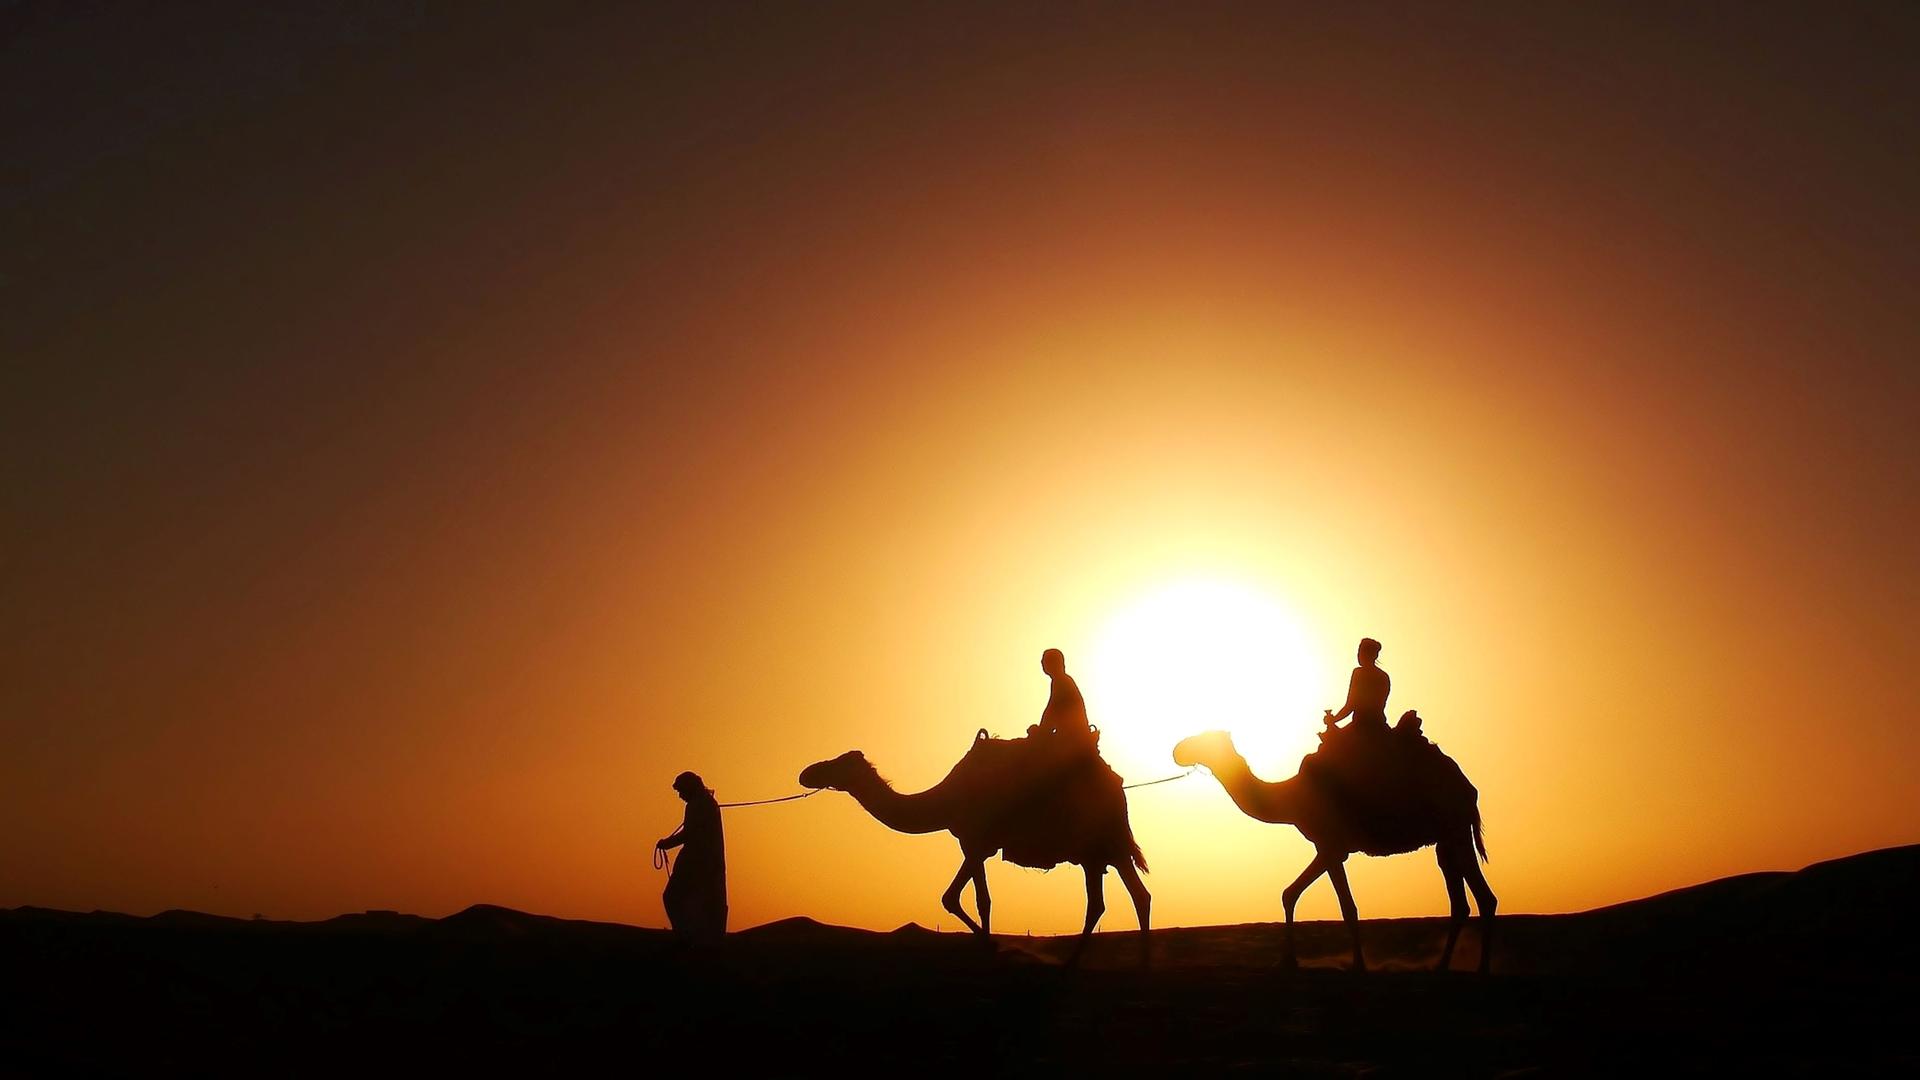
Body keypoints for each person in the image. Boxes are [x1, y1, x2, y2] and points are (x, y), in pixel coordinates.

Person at [656, 771, 727, 941]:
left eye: (681, 791)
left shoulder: (699, 805)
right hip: (707, 864)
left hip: (697, 863)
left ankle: (685, 936)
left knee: (672, 896)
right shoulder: (706, 803)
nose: (680, 796)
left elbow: (689, 834)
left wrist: (667, 843)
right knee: (698, 901)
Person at [1324, 637, 1391, 737]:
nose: (1359, 655)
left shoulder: (1359, 673)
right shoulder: (1384, 676)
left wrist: (1333, 720)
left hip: (1361, 727)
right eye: (1359, 652)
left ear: (1373, 655)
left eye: (1362, 652)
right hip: (1380, 725)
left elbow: (1351, 705)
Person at [1033, 648, 1091, 737]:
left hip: (1073, 735)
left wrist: (1041, 731)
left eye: (1045, 660)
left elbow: (1052, 711)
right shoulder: (1060, 681)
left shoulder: (1062, 681)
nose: (1042, 663)